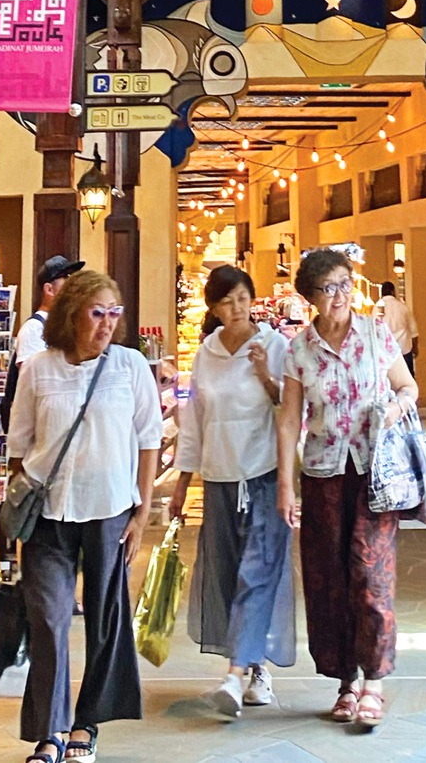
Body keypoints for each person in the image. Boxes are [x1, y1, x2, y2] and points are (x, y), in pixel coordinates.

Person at [6, 271, 162, 763]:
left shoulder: (130, 366)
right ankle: (49, 731)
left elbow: (149, 439)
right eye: (98, 313)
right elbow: (18, 447)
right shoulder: (38, 368)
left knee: (105, 618)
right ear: (72, 315)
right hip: (47, 513)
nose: (107, 323)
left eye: (114, 313)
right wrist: (20, 509)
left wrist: (142, 510)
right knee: (48, 618)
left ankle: (86, 724)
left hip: (109, 508)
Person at [278, 247, 419, 728]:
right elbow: (289, 419)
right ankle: (346, 680)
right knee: (329, 581)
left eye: (344, 284)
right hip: (322, 474)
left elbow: (407, 387)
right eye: (327, 288)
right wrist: (285, 485)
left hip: (375, 472)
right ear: (310, 297)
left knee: (371, 574)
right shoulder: (300, 349)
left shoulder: (377, 334)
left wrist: (396, 408)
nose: (338, 296)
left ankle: (374, 681)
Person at [168, 266, 295, 718]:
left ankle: (237, 674)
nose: (237, 308)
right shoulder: (206, 352)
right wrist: (182, 483)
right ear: (214, 308)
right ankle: (252, 665)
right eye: (227, 301)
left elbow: (291, 410)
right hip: (219, 477)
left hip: (263, 476)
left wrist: (265, 375)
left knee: (257, 574)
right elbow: (195, 421)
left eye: (243, 298)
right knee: (227, 575)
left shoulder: (275, 346)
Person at [1, 255, 84, 432]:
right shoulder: (34, 329)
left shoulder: (66, 329)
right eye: (66, 278)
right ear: (49, 289)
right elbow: (33, 385)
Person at [374, 281, 419, 377]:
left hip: (386, 352)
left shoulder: (377, 309)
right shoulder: (403, 307)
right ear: (393, 291)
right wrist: (415, 347)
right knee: (407, 380)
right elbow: (414, 331)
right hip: (404, 350)